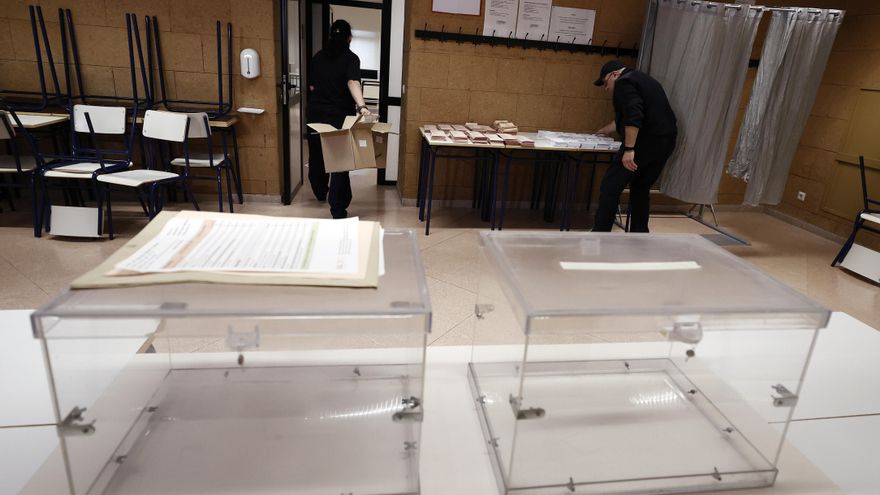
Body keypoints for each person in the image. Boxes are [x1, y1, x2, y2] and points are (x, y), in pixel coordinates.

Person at [591, 60, 677, 233]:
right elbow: (627, 117)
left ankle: (600, 234)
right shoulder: (642, 79)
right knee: (640, 187)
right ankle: (639, 235)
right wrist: (603, 131)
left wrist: (629, 150)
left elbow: (633, 116)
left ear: (615, 74)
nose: (606, 88)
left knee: (610, 187)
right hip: (665, 142)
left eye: (605, 83)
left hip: (643, 143)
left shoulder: (624, 82)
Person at [307, 19, 371, 219]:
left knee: (317, 156)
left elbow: (311, 87)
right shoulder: (351, 58)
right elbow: (352, 81)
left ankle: (319, 191)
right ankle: (338, 209)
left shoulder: (318, 57)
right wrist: (362, 106)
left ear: (330, 36)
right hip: (339, 117)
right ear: (349, 38)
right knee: (340, 163)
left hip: (315, 114)